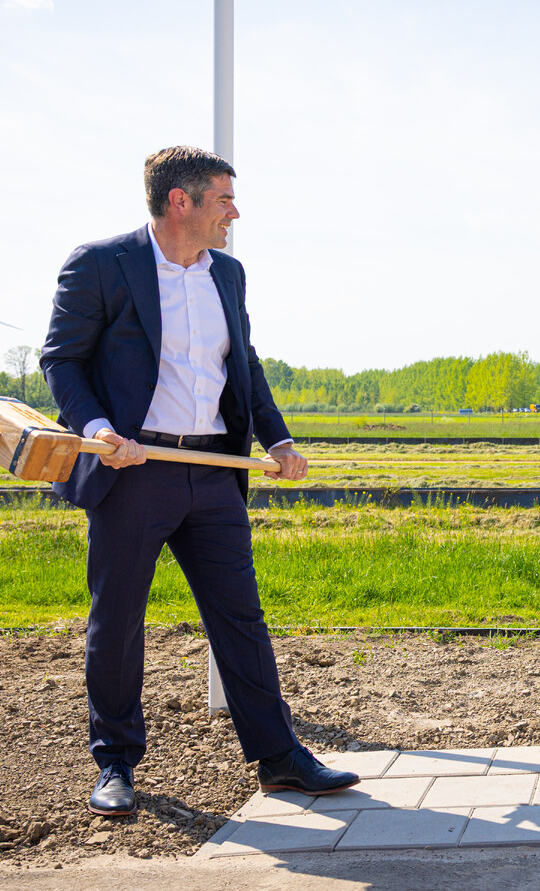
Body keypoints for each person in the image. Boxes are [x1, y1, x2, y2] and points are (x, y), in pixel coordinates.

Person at [42, 145, 357, 817]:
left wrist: (279, 438)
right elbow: (61, 361)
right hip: (134, 470)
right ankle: (116, 763)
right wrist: (98, 429)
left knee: (239, 615)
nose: (234, 213)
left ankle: (279, 758)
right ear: (179, 201)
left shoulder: (229, 275)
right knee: (119, 620)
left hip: (215, 473)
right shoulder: (101, 265)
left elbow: (244, 362)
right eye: (223, 199)